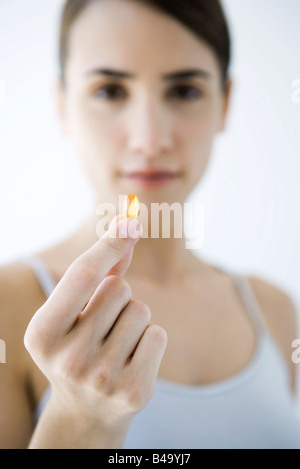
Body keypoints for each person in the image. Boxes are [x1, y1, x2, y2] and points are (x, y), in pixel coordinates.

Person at [0, 0, 300, 450]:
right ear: (62, 105)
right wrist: (80, 419)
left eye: (184, 91)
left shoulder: (274, 310)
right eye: (109, 91)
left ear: (225, 103)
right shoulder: (11, 306)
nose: (150, 138)